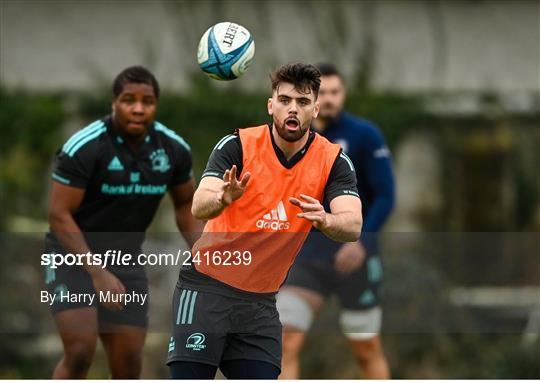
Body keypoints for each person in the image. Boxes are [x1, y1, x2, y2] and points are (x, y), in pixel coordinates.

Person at [166, 63, 363, 379]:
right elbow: (199, 206)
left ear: (316, 108)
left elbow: (352, 225)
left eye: (302, 102)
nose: (292, 109)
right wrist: (222, 199)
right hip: (206, 289)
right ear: (271, 105)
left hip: (260, 304)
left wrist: (326, 220)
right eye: (284, 100)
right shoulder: (238, 145)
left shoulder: (333, 161)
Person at [44, 66, 201, 378]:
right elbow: (59, 215)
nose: (139, 108)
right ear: (113, 102)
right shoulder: (85, 147)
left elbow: (185, 205)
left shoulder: (173, 149)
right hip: (71, 258)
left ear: (156, 105)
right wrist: (98, 274)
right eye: (129, 100)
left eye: (148, 101)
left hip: (125, 261)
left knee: (128, 361)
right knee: (79, 352)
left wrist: (206, 254)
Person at [277, 63, 395, 379]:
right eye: (322, 93)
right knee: (284, 341)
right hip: (306, 259)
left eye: (335, 92)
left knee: (366, 348)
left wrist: (363, 242)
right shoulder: (293, 137)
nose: (328, 99)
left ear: (342, 94)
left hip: (355, 258)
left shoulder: (365, 136)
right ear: (312, 99)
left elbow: (386, 195)